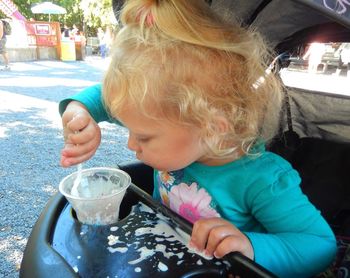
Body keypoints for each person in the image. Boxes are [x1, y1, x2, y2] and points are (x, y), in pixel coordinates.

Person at [59, 0, 336, 277]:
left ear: (212, 128)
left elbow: (319, 246)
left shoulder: (263, 180)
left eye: (142, 136)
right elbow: (109, 100)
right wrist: (79, 111)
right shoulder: (179, 128)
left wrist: (250, 247)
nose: (130, 144)